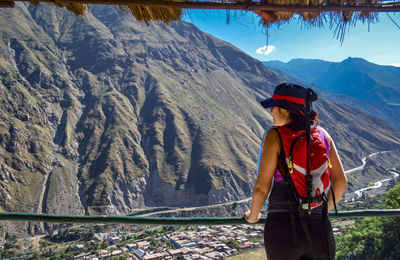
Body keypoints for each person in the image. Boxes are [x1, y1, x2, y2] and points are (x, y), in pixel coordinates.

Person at [244, 83, 347, 260]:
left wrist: (253, 216)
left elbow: (262, 187)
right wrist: (321, 211)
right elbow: (340, 182)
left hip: (283, 230)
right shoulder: (322, 135)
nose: (271, 112)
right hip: (319, 229)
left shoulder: (275, 136)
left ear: (284, 110)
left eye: (273, 107)